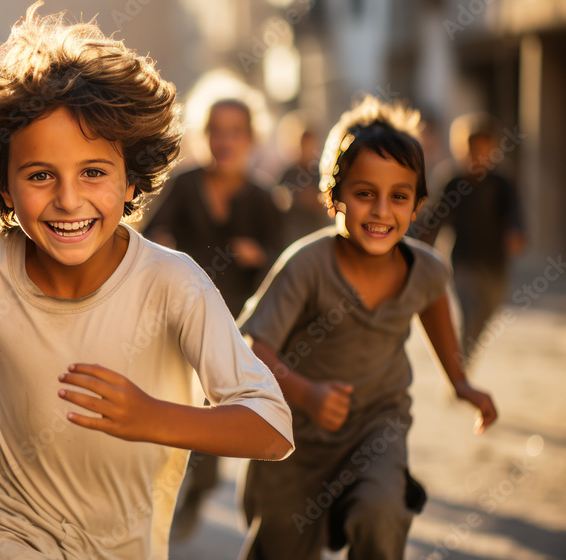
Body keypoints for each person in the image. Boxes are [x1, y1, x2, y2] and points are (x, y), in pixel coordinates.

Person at [0, 4, 294, 559]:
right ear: (1, 187)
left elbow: (270, 425)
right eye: (40, 175)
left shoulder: (175, 285)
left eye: (93, 172)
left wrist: (154, 417)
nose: (69, 199)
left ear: (132, 180)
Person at [235, 95, 498, 560]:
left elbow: (435, 308)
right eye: (364, 194)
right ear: (333, 197)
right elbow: (256, 346)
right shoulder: (307, 266)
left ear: (417, 205)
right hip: (293, 441)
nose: (381, 211)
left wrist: (460, 382)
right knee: (280, 548)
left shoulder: (427, 269)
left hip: (378, 429)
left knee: (381, 514)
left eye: (398, 196)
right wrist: (307, 393)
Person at [143, 97, 283, 536]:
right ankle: (178, 491)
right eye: (216, 131)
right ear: (205, 136)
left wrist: (258, 255)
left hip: (237, 326)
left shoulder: (264, 199)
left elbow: (283, 266)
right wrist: (161, 239)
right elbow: (148, 237)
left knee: (217, 406)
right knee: (182, 403)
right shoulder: (185, 185)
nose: (225, 141)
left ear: (250, 139)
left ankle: (201, 488)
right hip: (180, 317)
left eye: (235, 132)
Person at [415, 113, 525, 364]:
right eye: (472, 149)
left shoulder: (502, 183)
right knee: (469, 315)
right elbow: (435, 220)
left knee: (486, 314)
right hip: (463, 261)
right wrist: (421, 247)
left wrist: (516, 234)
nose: (478, 155)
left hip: (495, 264)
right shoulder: (453, 181)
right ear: (461, 149)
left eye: (484, 149)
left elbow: (515, 216)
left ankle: (461, 363)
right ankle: (458, 369)